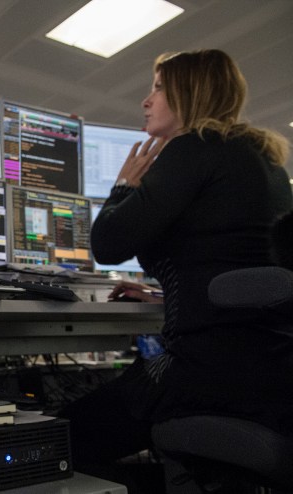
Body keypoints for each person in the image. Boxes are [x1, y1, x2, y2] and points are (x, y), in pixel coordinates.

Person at [58, 49, 293, 481]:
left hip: (208, 370)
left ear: (190, 92)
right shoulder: (264, 161)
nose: (147, 100)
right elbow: (241, 265)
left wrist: (124, 186)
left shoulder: (191, 148)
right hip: (270, 368)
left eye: (159, 88)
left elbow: (108, 244)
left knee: (60, 434)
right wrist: (165, 293)